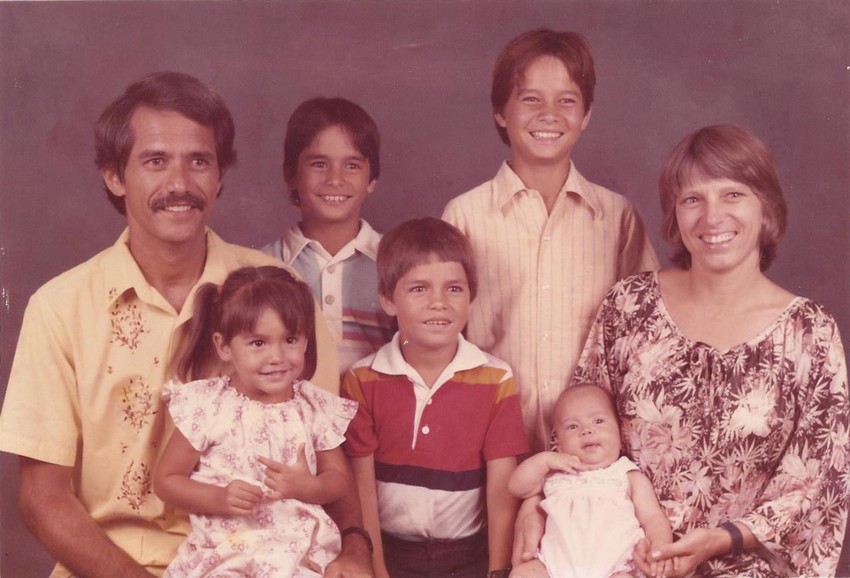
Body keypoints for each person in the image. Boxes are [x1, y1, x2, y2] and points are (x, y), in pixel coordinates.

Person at [0, 71, 372, 578]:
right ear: (114, 175)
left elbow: (324, 447)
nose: (180, 184)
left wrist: (355, 547)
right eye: (155, 161)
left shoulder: (281, 292)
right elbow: (42, 499)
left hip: (268, 562)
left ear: (220, 176)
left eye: (199, 161)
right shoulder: (59, 309)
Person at [523, 125, 850, 576]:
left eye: (733, 195)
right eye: (692, 199)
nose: (712, 217)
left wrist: (719, 540)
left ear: (767, 208)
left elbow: (816, 486)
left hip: (744, 566)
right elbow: (575, 428)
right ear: (674, 215)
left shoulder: (809, 333)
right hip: (618, 561)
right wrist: (536, 512)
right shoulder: (630, 306)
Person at [442, 28, 659, 453]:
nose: (549, 114)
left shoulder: (617, 218)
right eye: (530, 99)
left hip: (592, 458)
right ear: (501, 112)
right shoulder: (464, 216)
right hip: (489, 449)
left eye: (567, 101)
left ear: (587, 114)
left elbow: (646, 340)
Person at [341, 217, 529, 578]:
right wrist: (377, 569)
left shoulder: (496, 379)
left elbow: (502, 493)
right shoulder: (362, 380)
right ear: (387, 300)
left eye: (454, 289)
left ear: (472, 298)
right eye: (419, 289)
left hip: (470, 557)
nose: (439, 303)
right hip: (391, 554)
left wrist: (498, 571)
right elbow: (362, 489)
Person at [154, 266, 357, 577]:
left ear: (306, 340)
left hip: (298, 553)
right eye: (258, 343)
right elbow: (166, 480)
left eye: (290, 339)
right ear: (223, 346)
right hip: (228, 551)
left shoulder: (313, 408)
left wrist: (309, 487)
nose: (276, 356)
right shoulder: (207, 406)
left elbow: (339, 480)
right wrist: (219, 498)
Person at [263, 96, 394, 373]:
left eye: (352, 165)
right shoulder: (261, 267)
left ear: (372, 179)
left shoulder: (398, 264)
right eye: (319, 164)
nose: (336, 179)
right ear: (291, 175)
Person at [508, 384, 674, 578]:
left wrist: (661, 548)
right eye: (572, 426)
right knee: (523, 574)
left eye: (598, 421)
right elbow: (516, 487)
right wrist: (544, 460)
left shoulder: (626, 474)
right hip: (554, 568)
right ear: (558, 443)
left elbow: (653, 517)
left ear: (620, 434)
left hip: (619, 567)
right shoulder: (554, 474)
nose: (586, 430)